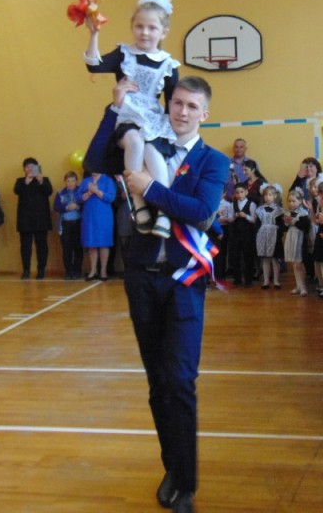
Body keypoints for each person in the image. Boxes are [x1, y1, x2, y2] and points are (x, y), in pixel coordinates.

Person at [118, 75, 229, 513]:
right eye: (177, 103)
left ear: (205, 114)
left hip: (184, 281)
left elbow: (201, 212)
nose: (182, 112)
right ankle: (172, 466)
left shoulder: (213, 160)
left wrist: (150, 188)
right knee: (158, 383)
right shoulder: (146, 142)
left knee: (181, 381)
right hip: (141, 278)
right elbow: (97, 152)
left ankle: (186, 484)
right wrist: (116, 105)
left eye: (191, 106)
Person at [83, 0, 179, 239]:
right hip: (127, 115)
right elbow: (94, 64)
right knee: (135, 142)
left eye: (151, 28)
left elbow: (171, 103)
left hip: (153, 118)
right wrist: (94, 34)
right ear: (132, 27)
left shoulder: (168, 65)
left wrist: (174, 135)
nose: (145, 32)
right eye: (139, 26)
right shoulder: (124, 54)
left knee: (153, 153)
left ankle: (164, 210)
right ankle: (138, 202)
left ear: (163, 32)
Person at [13, 157, 53, 279]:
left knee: (42, 246)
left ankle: (41, 270)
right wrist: (27, 181)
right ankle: (26, 270)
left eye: (32, 167)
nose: (30, 169)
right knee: (25, 246)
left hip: (41, 219)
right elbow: (17, 191)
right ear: (24, 169)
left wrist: (41, 181)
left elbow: (49, 192)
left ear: (37, 168)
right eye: (27, 167)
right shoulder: (20, 181)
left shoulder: (44, 179)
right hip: (25, 220)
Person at [80, 169, 116, 281]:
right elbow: (78, 197)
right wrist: (89, 192)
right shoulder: (85, 181)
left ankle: (103, 271)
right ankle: (93, 270)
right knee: (91, 243)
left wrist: (96, 191)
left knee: (104, 243)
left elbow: (111, 198)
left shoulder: (108, 180)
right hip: (89, 215)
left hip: (104, 215)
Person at [54, 171, 85, 279]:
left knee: (78, 248)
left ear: (76, 181)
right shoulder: (60, 193)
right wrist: (67, 207)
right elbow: (56, 206)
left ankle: (77, 270)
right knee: (67, 248)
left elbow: (85, 205)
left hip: (78, 223)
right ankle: (68, 271)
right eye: (68, 181)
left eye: (73, 181)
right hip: (65, 224)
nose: (70, 183)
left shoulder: (81, 192)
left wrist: (77, 206)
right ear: (65, 182)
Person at [281, 188, 311, 295]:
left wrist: (292, 221)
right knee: (294, 264)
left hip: (300, 238)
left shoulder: (303, 213)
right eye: (289, 201)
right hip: (291, 237)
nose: (291, 203)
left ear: (300, 201)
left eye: (294, 201)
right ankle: (298, 286)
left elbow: (304, 226)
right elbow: (284, 228)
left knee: (299, 264)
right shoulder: (288, 213)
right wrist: (286, 222)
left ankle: (303, 287)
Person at [255, 184, 284, 289]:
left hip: (275, 236)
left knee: (275, 259)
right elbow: (257, 224)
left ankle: (276, 280)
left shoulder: (279, 210)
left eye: (270, 195)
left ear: (275, 196)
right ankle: (266, 280)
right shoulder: (259, 210)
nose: (267, 197)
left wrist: (278, 233)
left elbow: (281, 225)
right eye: (266, 195)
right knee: (265, 259)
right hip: (263, 236)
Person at [228, 182, 257, 287]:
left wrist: (246, 216)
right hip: (236, 234)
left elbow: (254, 219)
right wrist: (234, 216)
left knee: (248, 256)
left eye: (241, 192)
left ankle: (249, 279)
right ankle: (237, 279)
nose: (239, 195)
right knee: (236, 256)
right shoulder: (232, 205)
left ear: (246, 192)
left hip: (247, 234)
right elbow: (229, 219)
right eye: (237, 193)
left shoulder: (251, 204)